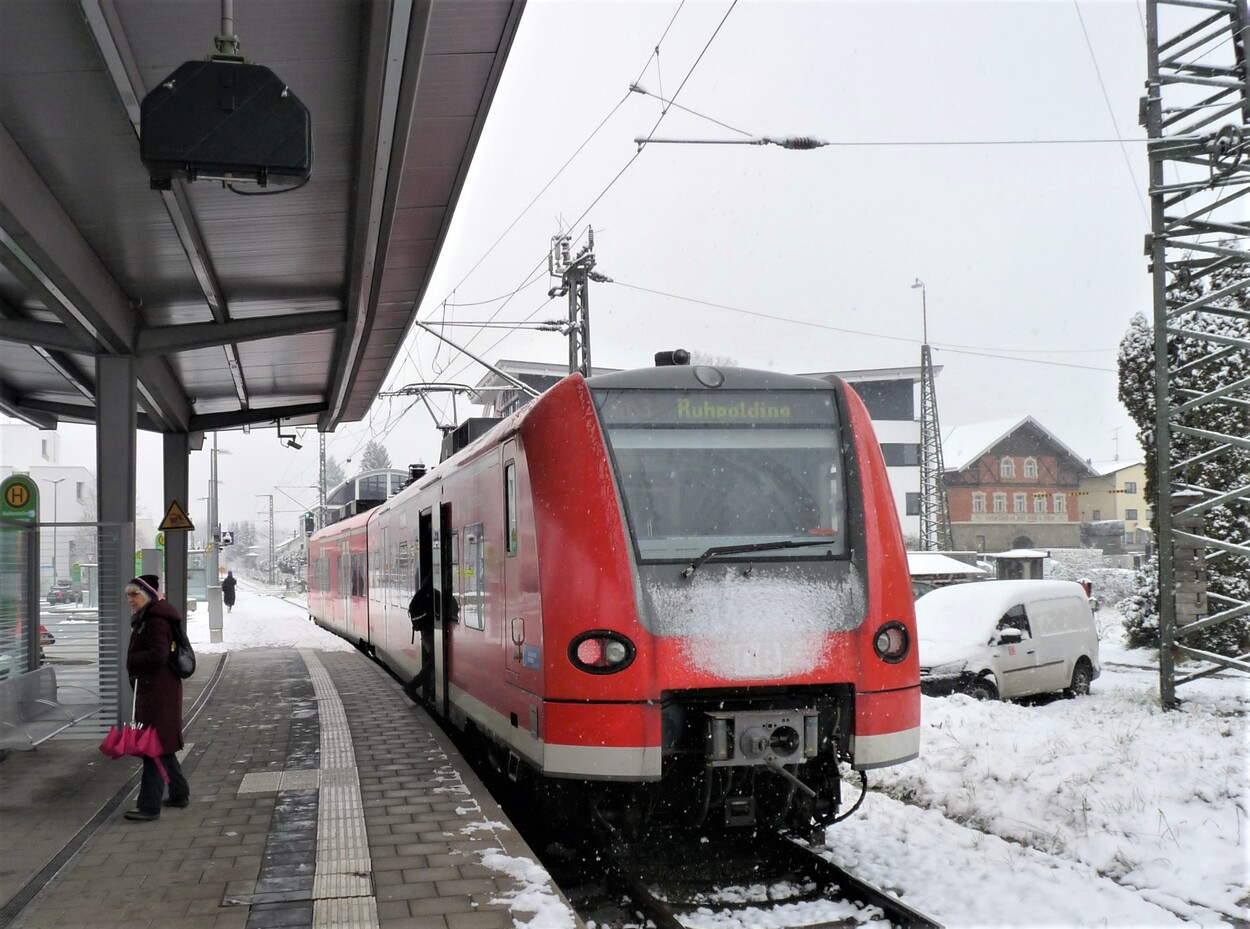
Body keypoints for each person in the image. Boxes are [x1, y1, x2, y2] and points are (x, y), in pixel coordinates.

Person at [122, 574, 190, 822]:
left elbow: (159, 656)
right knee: (163, 747)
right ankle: (179, 794)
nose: (130, 599)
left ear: (148, 595)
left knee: (153, 748)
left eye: (135, 594)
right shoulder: (149, 618)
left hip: (158, 693)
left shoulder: (156, 621)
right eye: (128, 595)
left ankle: (149, 807)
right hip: (156, 691)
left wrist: (132, 660)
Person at [403, 575, 458, 704]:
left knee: (433, 661)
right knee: (436, 661)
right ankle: (413, 685)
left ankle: (431, 691)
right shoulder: (438, 593)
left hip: (425, 633)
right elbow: (452, 610)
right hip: (432, 633)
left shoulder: (425, 590)